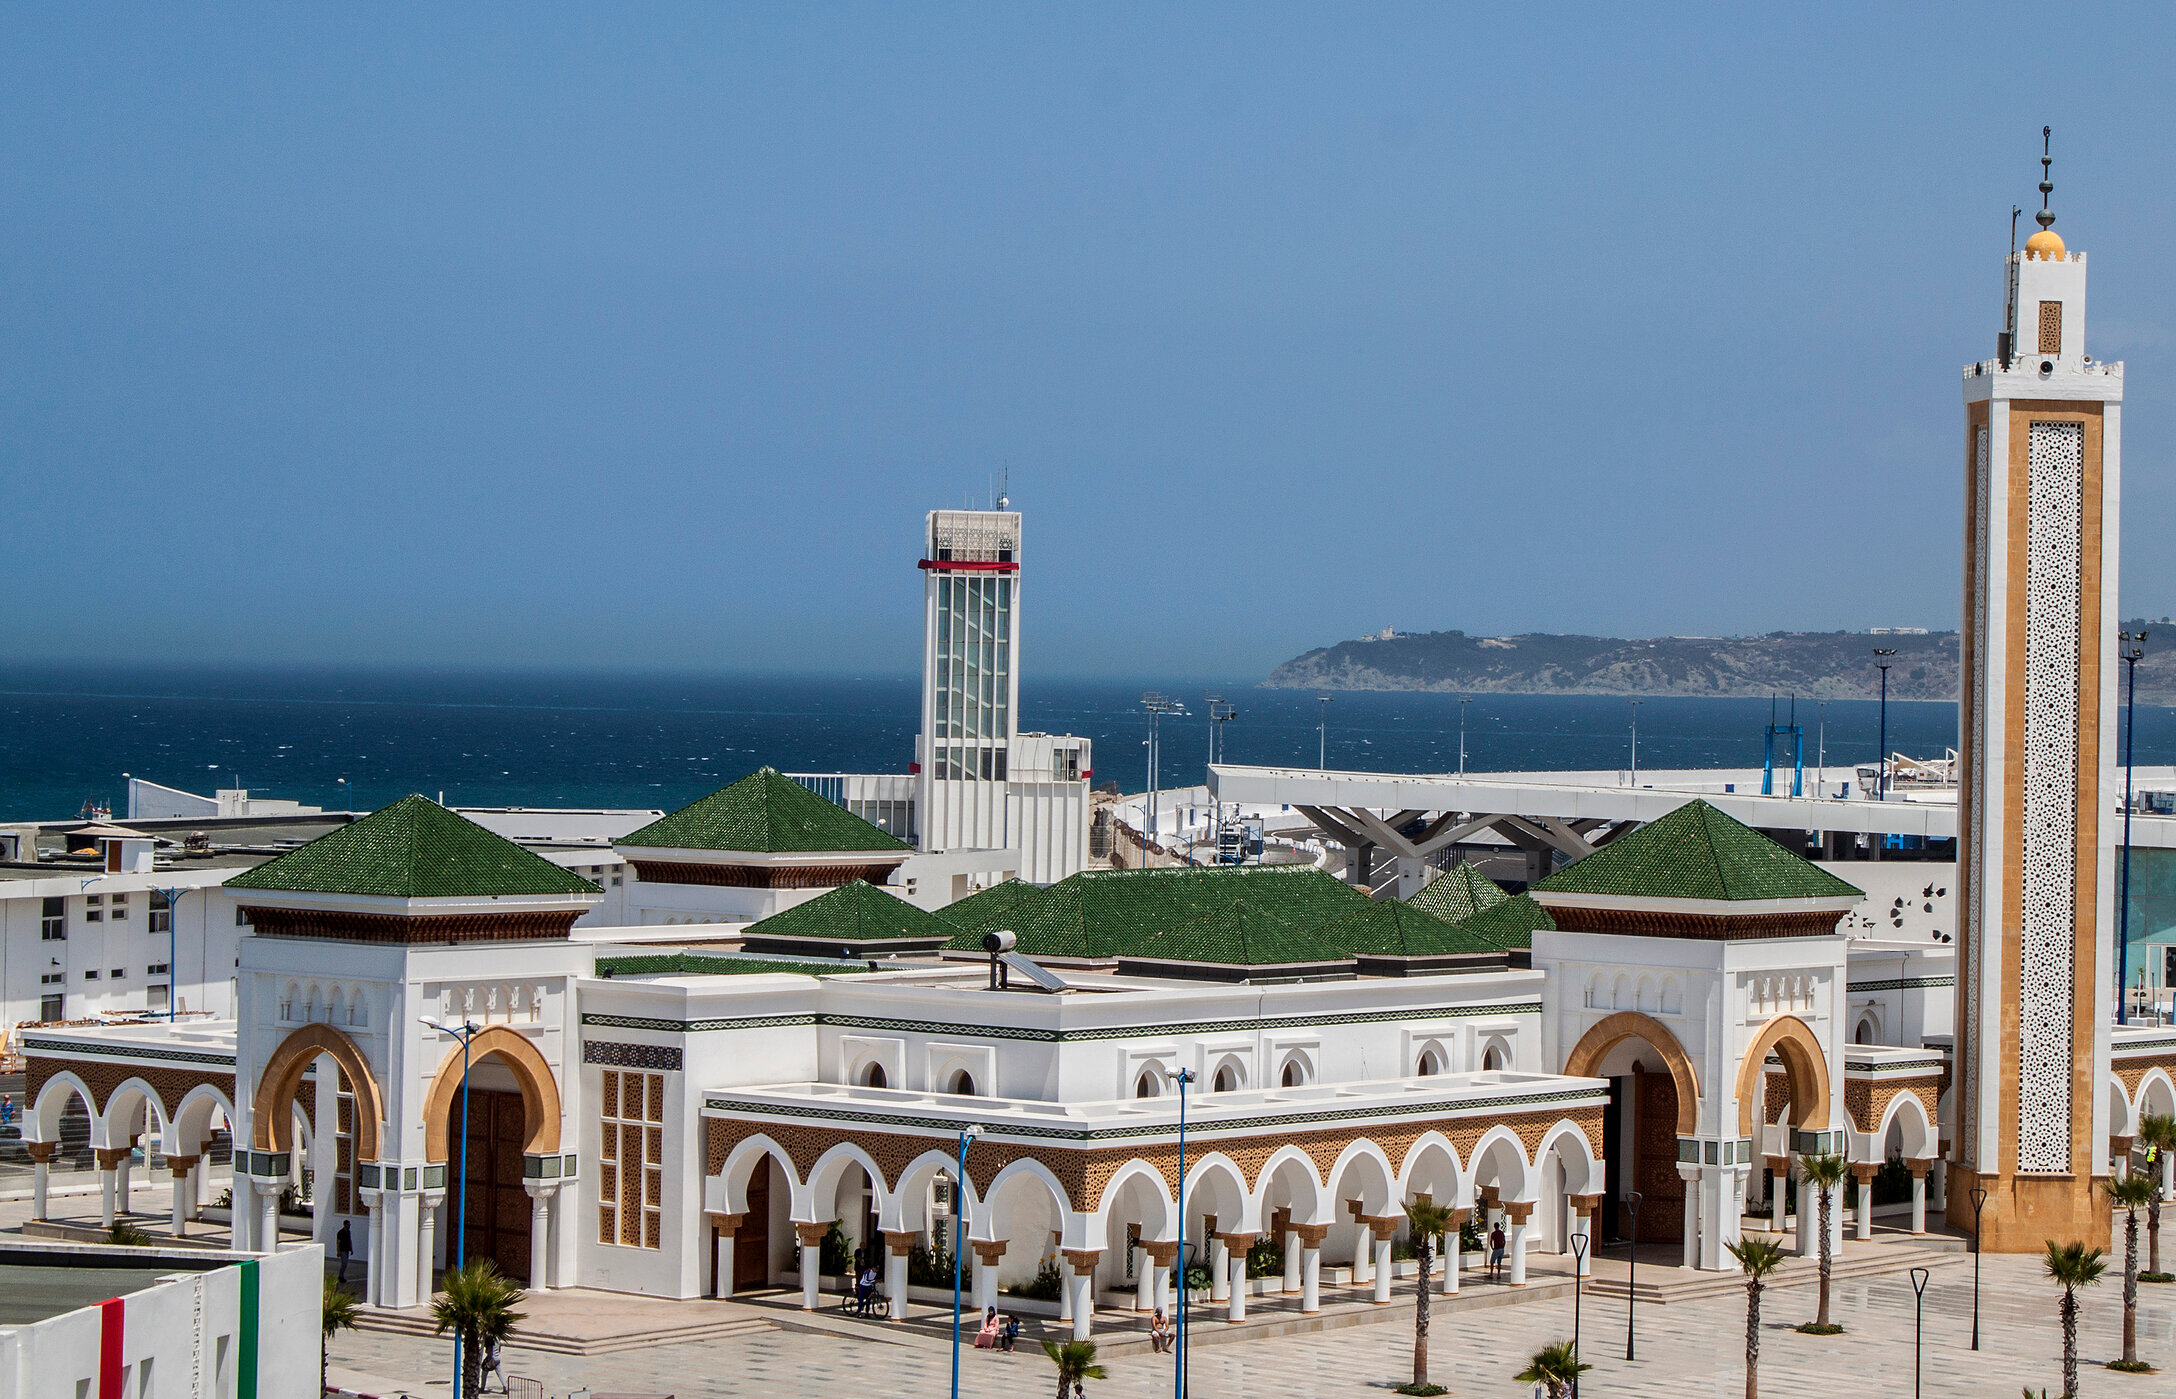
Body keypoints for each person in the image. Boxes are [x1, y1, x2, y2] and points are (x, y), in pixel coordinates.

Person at [335, 1220, 354, 1284]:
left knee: (345, 1264)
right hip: (342, 1250)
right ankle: (340, 1276)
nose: (349, 1226)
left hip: (347, 1249)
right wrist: (338, 1251)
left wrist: (351, 1249)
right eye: (348, 1225)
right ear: (345, 1225)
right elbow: (338, 1242)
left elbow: (349, 1240)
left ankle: (341, 1275)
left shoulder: (348, 1232)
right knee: (344, 1263)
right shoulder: (340, 1232)